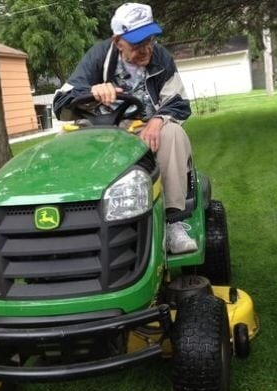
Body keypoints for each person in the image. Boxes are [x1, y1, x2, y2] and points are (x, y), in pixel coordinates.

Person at [53, 2, 197, 254]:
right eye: (137, 44)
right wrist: (91, 92)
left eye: (149, 40)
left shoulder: (161, 58)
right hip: (100, 133)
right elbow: (61, 104)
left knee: (173, 132)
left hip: (143, 130)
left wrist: (158, 119)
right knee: (61, 144)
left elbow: (179, 103)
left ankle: (173, 224)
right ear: (117, 41)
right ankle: (70, 227)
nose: (146, 49)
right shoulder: (98, 56)